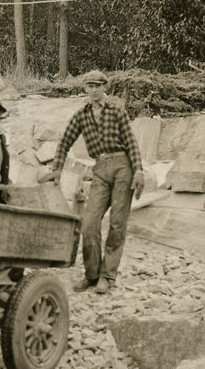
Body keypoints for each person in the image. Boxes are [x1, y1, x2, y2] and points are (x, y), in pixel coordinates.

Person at [40, 70, 145, 294]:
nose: (94, 90)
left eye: (98, 85)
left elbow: (132, 143)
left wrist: (138, 171)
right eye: (90, 86)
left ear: (104, 87)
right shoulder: (81, 115)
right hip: (100, 168)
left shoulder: (116, 111)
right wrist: (57, 168)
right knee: (89, 223)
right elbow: (65, 141)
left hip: (122, 166)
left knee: (117, 223)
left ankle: (107, 276)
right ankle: (92, 274)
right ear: (85, 89)